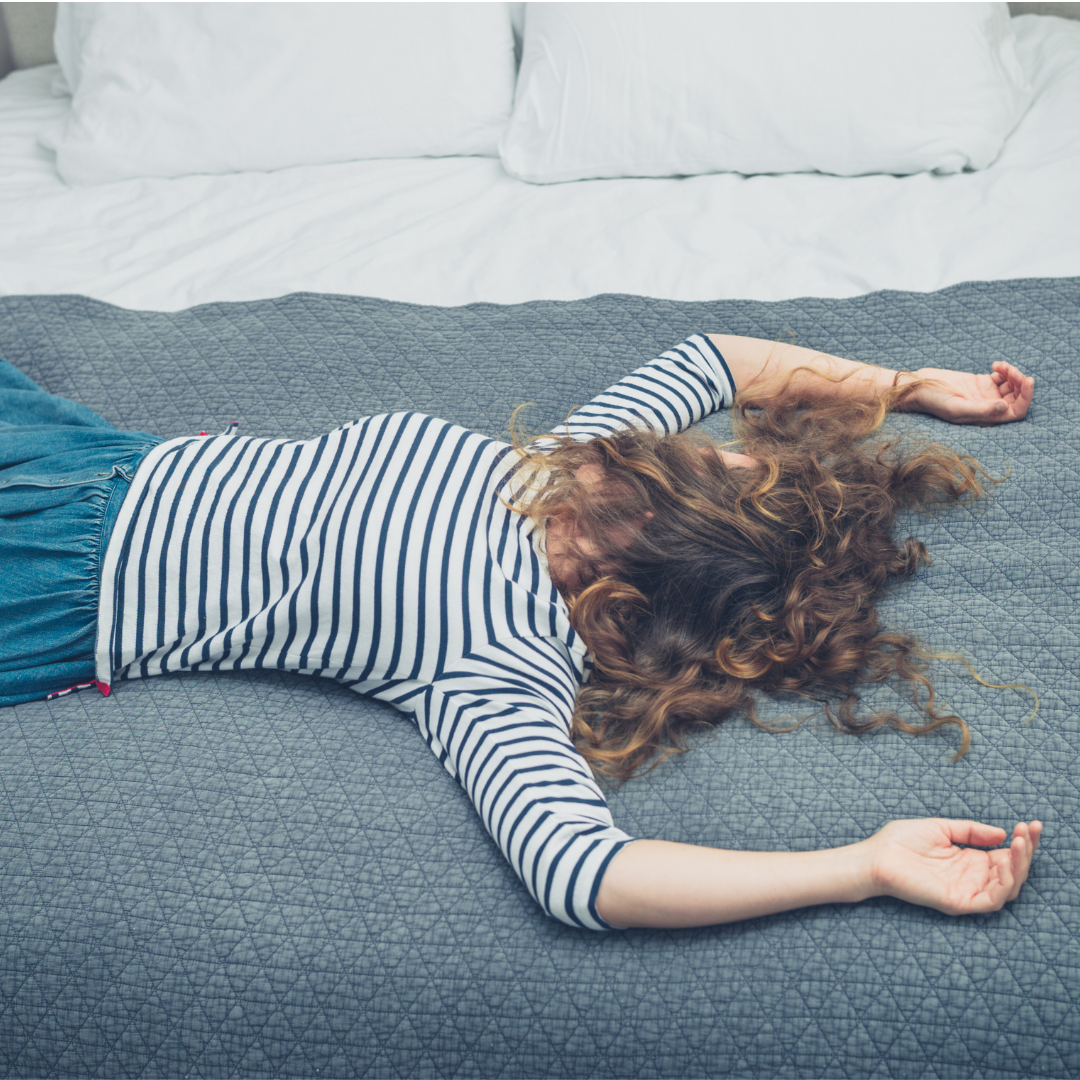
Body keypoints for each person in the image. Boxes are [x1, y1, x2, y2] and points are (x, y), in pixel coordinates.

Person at [0, 333, 1041, 931]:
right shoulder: (566, 461)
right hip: (94, 458)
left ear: (643, 562)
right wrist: (904, 387)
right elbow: (716, 357)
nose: (673, 442)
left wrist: (860, 864)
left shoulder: (498, 655)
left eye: (680, 471)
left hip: (52, 581)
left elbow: (583, 873)